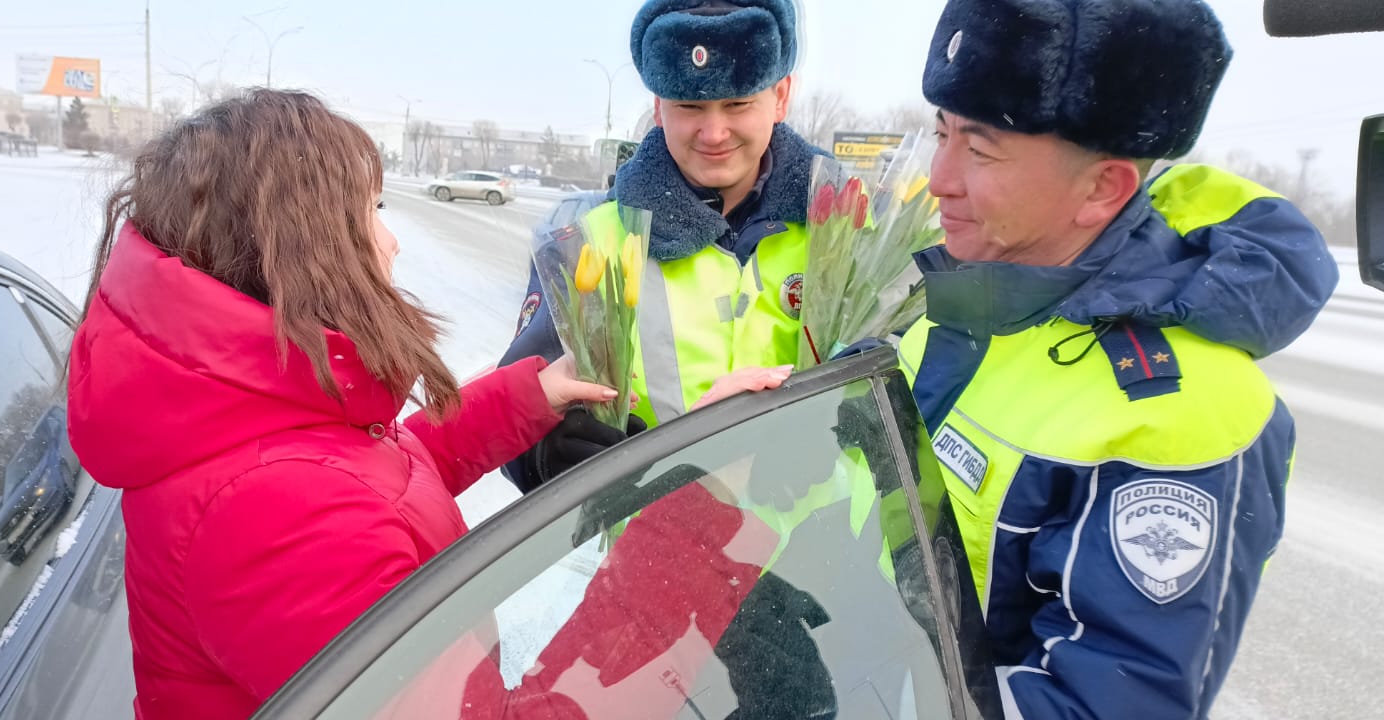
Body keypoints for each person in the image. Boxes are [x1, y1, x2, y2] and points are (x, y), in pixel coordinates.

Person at [64, 90, 627, 720]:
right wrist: (674, 567)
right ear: (302, 247)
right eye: (368, 212)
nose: (391, 243)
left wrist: (531, 393)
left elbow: (385, 474)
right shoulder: (274, 518)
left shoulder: (248, 407)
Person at [901, 1, 1340, 717]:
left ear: (1101, 189)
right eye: (940, 133)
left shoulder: (1182, 415)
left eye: (979, 150)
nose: (939, 179)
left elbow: (1104, 701)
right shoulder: (978, 303)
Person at [501, 0, 828, 492]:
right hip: (655, 555)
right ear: (658, 108)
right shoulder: (594, 241)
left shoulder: (843, 230)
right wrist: (546, 449)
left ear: (781, 97)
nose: (714, 133)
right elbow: (508, 417)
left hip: (820, 560)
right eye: (689, 107)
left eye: (738, 104)